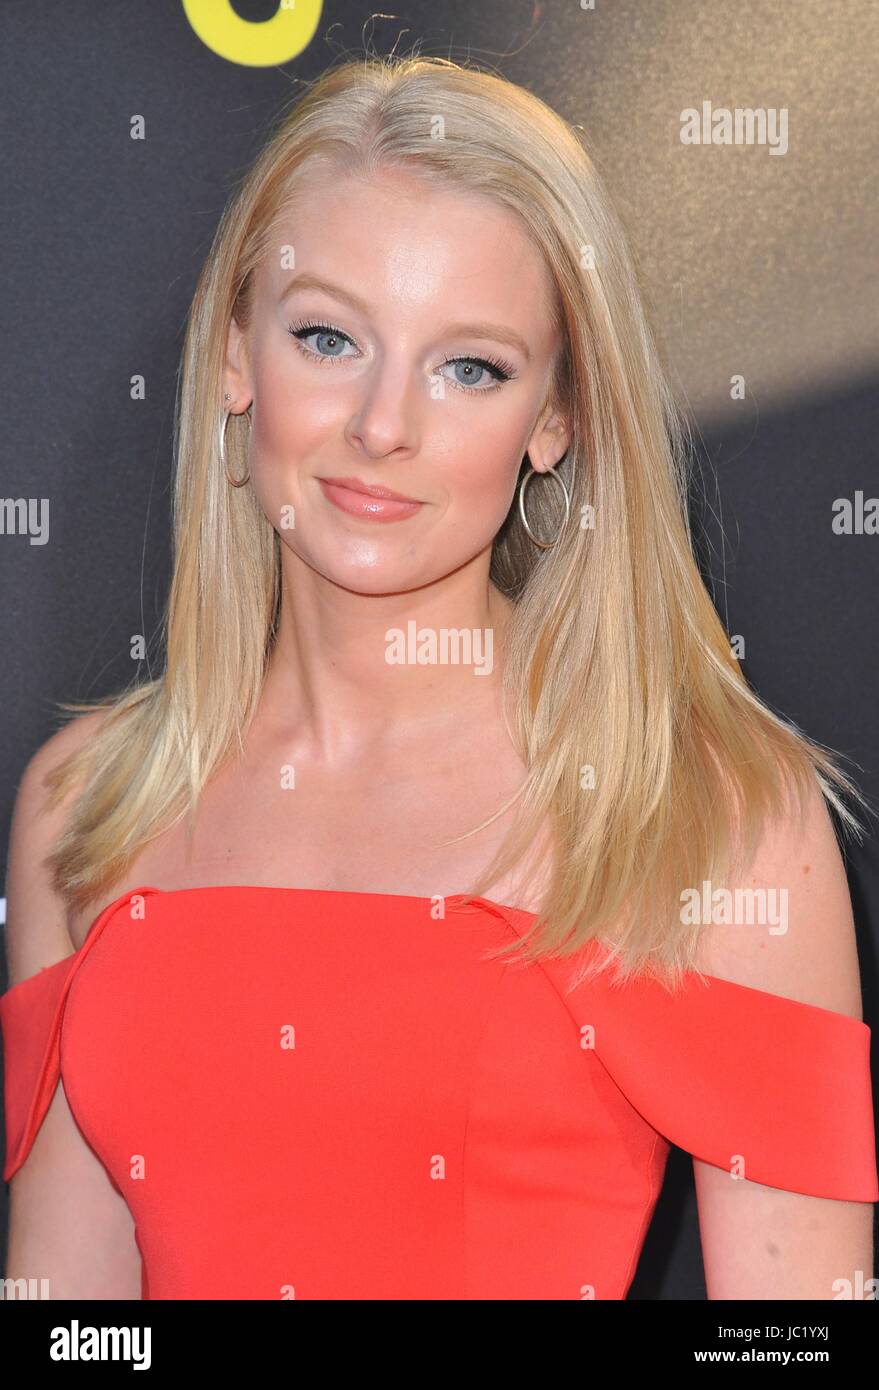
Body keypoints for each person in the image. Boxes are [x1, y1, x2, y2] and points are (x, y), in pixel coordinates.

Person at [1, 53, 876, 1302]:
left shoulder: (709, 812)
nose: (381, 425)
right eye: (327, 337)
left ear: (556, 420)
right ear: (238, 354)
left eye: (470, 366)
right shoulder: (86, 811)